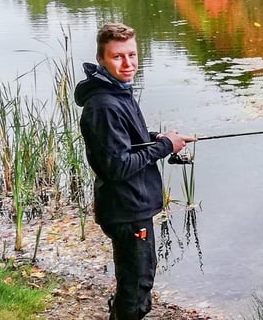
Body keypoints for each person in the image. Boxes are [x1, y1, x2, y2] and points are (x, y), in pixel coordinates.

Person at [74, 22, 195, 320]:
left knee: (137, 278)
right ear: (101, 59)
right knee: (137, 285)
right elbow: (117, 166)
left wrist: (157, 139)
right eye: (118, 57)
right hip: (126, 209)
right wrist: (165, 146)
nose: (127, 64)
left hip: (131, 205)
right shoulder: (103, 105)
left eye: (132, 55)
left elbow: (125, 142)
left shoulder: (117, 91)